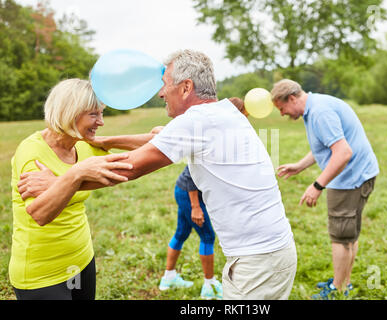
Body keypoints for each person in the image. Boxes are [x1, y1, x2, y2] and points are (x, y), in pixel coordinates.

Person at [18, 51, 297, 300]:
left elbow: (131, 167)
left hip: (258, 259)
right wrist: (105, 141)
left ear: (186, 87)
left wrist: (63, 180)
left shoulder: (195, 122)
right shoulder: (221, 112)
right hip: (268, 251)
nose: (161, 93)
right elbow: (158, 137)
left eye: (166, 85)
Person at [9, 78, 134, 300]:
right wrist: (77, 173)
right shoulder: (32, 151)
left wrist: (107, 141)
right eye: (94, 114)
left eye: (101, 114)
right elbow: (40, 214)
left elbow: (143, 155)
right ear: (70, 112)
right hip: (42, 276)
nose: (101, 122)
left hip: (81, 260)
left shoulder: (83, 146)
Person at [271, 79, 379, 300]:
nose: (282, 114)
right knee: (348, 235)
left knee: (340, 237)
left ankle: (337, 290)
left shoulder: (320, 113)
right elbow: (327, 145)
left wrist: (317, 185)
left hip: (350, 180)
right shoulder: (316, 106)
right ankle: (343, 283)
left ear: (291, 98)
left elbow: (343, 153)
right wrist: (300, 165)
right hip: (359, 175)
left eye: (281, 108)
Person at [159, 97, 247, 300]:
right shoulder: (217, 134)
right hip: (188, 193)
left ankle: (168, 277)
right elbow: (191, 175)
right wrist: (195, 207)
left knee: (181, 232)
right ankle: (209, 287)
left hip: (182, 190)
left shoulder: (226, 135)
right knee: (207, 237)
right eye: (243, 116)